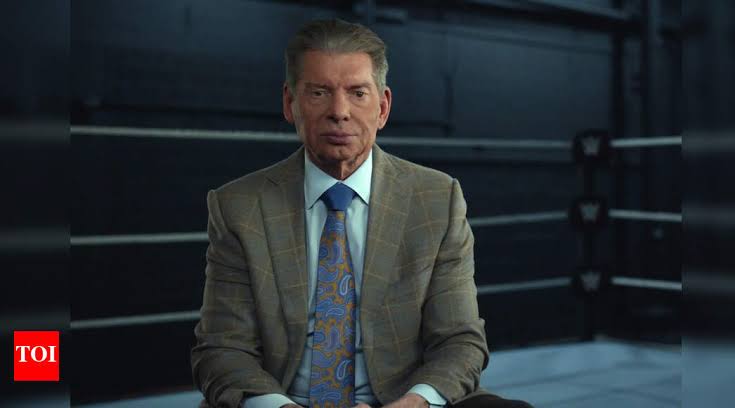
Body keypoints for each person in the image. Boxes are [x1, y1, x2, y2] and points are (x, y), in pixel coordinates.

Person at [191, 19, 533, 408]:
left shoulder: (437, 199)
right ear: (289, 103)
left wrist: (413, 404)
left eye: (357, 93)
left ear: (382, 107)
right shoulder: (240, 206)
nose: (339, 112)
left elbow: (459, 341)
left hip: (404, 401)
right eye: (319, 92)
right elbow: (223, 349)